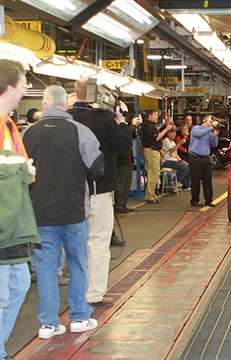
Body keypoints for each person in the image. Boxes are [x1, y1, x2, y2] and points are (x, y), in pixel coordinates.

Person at [23, 85, 104, 340]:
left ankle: (48, 324)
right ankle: (80, 317)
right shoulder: (81, 131)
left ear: (45, 104)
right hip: (74, 212)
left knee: (46, 267)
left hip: (41, 213)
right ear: (65, 105)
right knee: (78, 263)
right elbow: (97, 168)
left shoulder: (28, 133)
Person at [69, 78, 131, 305]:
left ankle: (77, 291)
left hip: (72, 193)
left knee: (76, 243)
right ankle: (93, 293)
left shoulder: (68, 118)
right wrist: (122, 123)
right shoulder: (105, 120)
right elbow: (124, 148)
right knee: (98, 241)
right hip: (100, 189)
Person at [0, 59, 41, 359]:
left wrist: (22, 169)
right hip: (3, 224)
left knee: (18, 285)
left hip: (14, 225)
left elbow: (25, 172)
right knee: (4, 293)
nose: (28, 86)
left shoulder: (9, 125)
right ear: (10, 86)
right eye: (25, 80)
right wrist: (19, 167)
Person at [141, 110, 173, 203]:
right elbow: (156, 138)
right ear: (149, 116)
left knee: (154, 174)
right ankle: (150, 196)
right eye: (155, 115)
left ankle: (151, 194)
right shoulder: (148, 126)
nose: (156, 117)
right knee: (153, 174)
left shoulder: (151, 125)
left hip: (154, 151)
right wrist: (166, 129)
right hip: (151, 151)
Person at [188, 115, 219, 207]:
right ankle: (195, 200)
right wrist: (211, 128)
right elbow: (199, 134)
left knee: (207, 180)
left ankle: (208, 200)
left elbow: (214, 144)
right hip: (195, 158)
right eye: (211, 119)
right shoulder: (196, 128)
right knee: (195, 180)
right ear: (204, 120)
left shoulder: (209, 132)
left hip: (206, 158)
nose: (212, 121)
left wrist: (214, 135)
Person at [114, 111, 133, 214]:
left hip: (127, 160)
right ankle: (119, 205)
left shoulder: (124, 127)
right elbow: (126, 139)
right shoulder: (118, 127)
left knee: (126, 183)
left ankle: (123, 204)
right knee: (121, 184)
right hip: (121, 161)